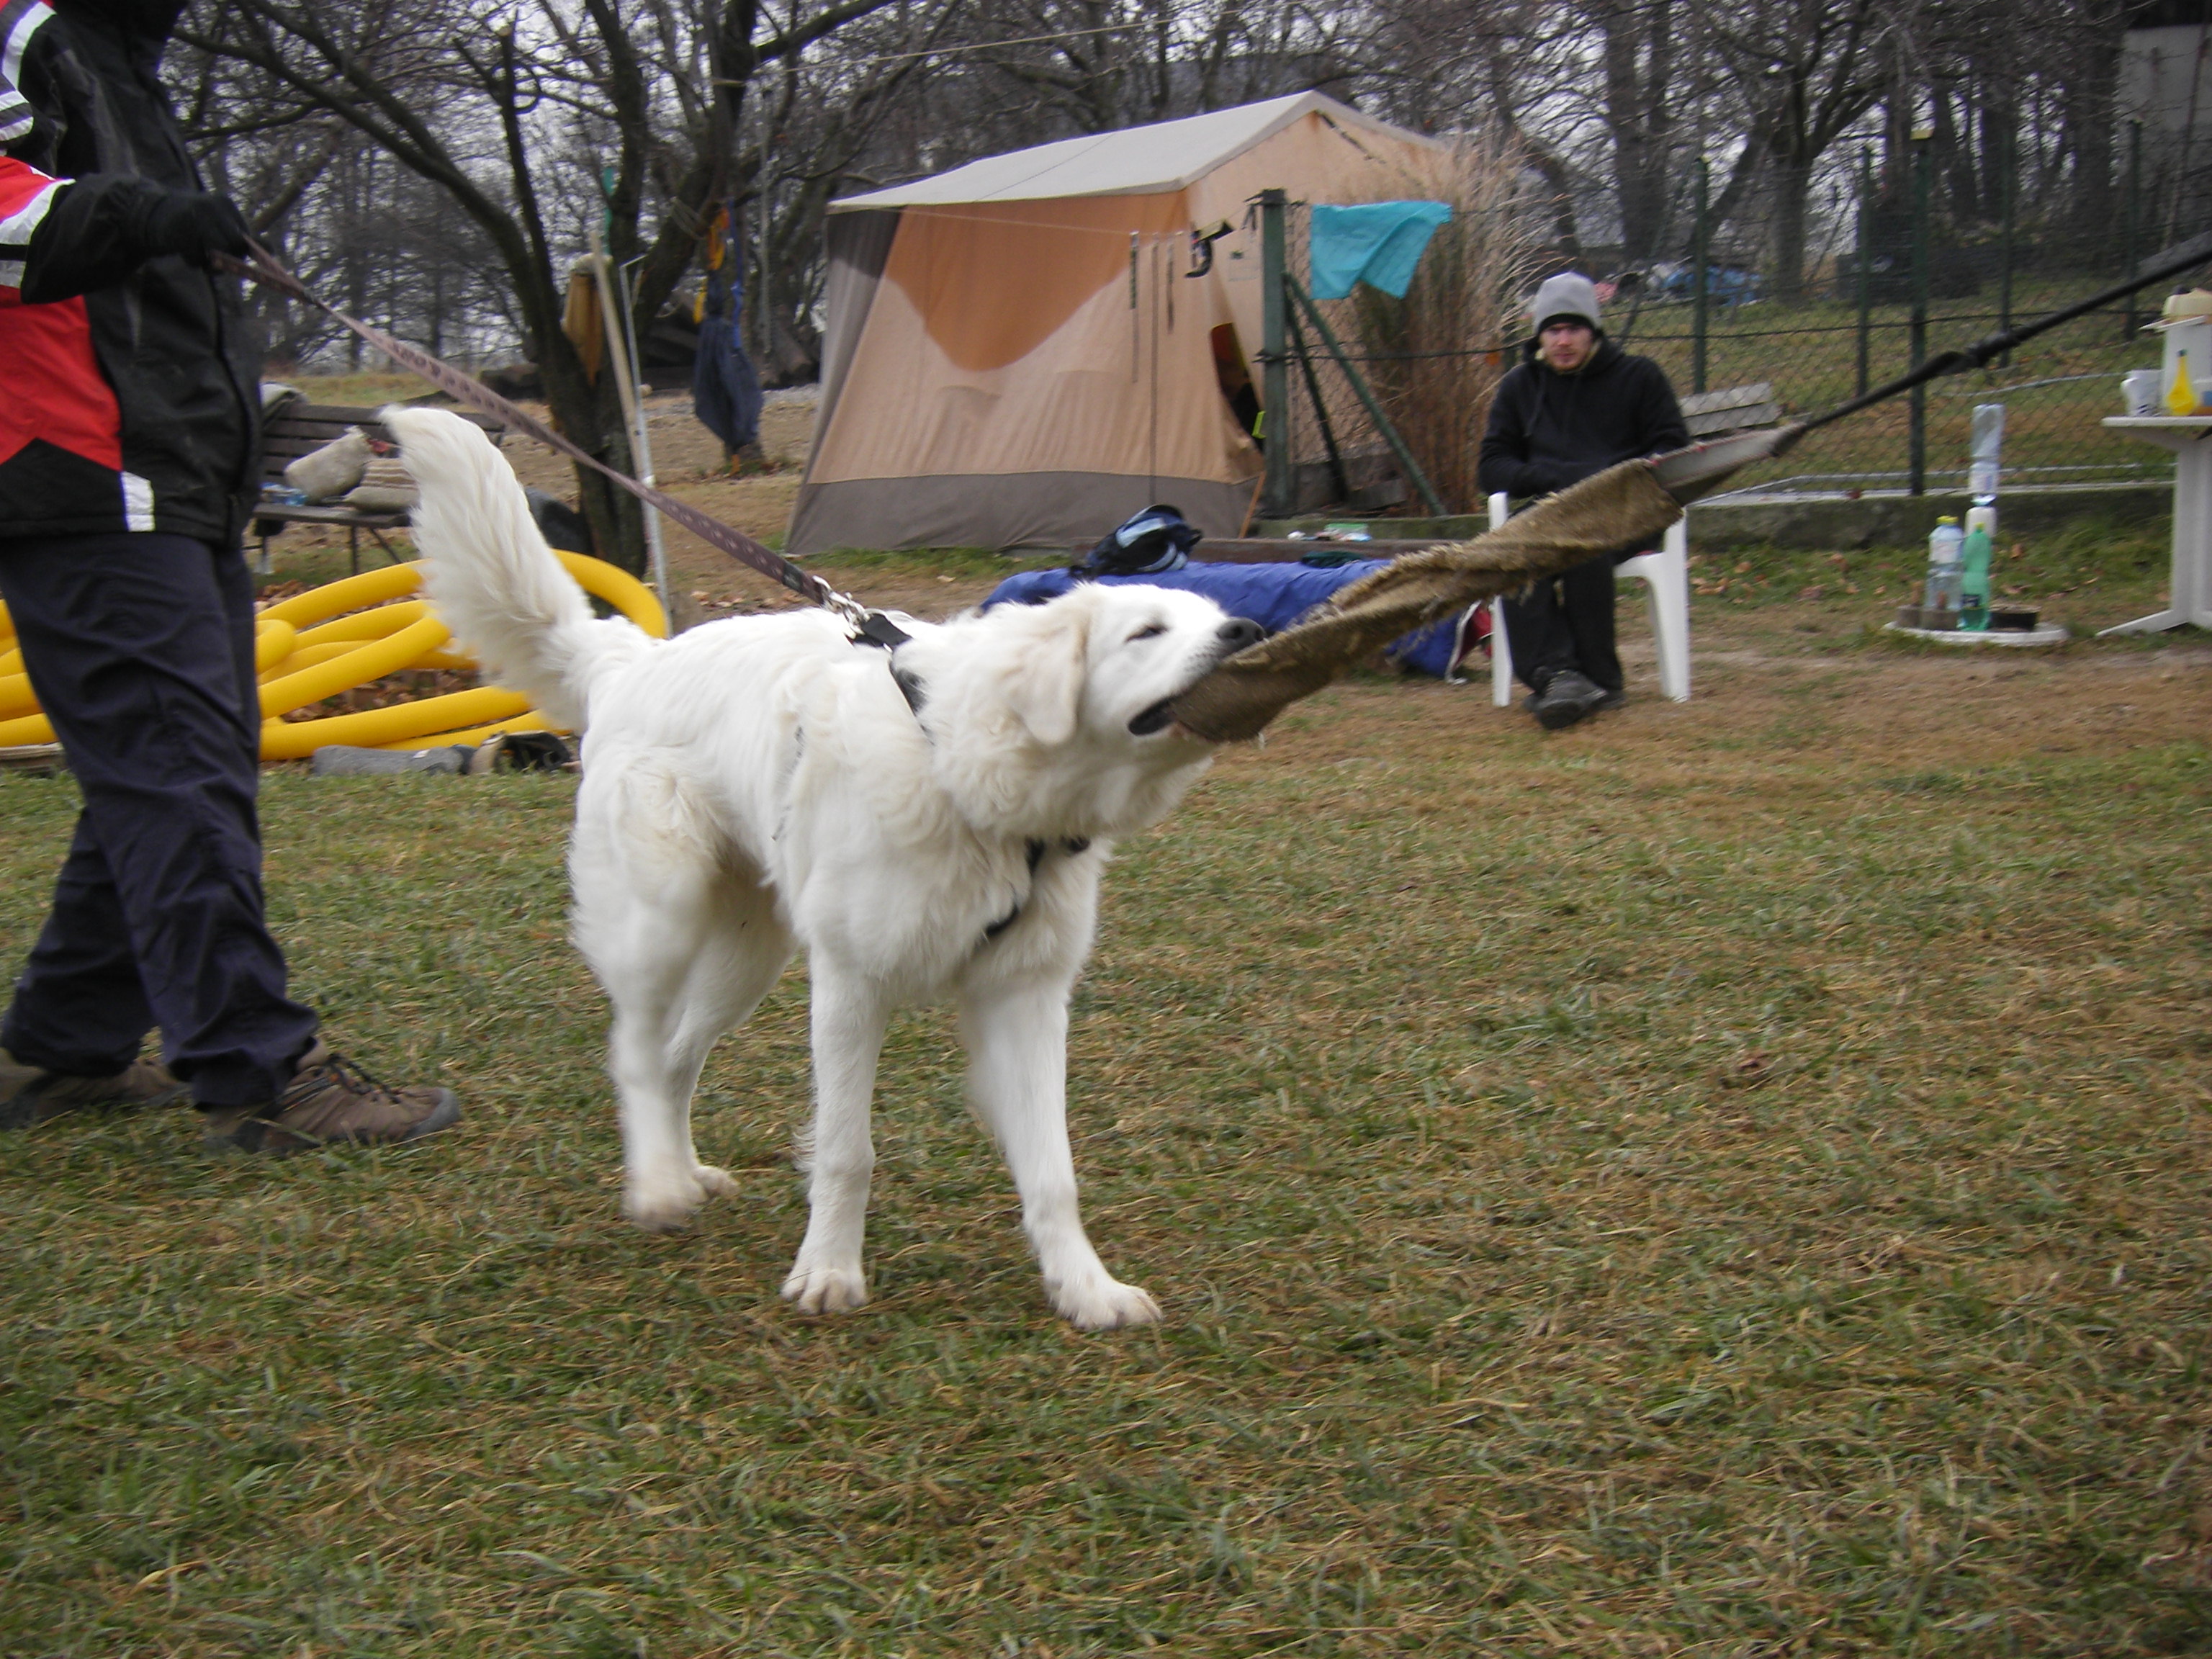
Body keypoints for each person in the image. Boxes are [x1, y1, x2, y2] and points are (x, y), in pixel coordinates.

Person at [0, 0, 458, 1151]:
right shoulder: (24, 33)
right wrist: (145, 212)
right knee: (176, 772)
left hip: (175, 468)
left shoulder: (120, 62)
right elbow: (21, 227)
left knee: (176, 761)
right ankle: (259, 1076)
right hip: (80, 471)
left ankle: (66, 1038)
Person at [1478, 271, 1687, 730]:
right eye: (1554, 331)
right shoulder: (1519, 387)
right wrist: (1553, 479)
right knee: (1509, 554)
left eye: (1574, 329)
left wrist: (1619, 480)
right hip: (1552, 509)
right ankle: (1559, 676)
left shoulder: (1639, 377)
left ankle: (1598, 678)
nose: (1564, 341)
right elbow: (1492, 465)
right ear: (1540, 336)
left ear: (1593, 331)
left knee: (1582, 545)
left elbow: (1672, 450)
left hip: (1627, 511)